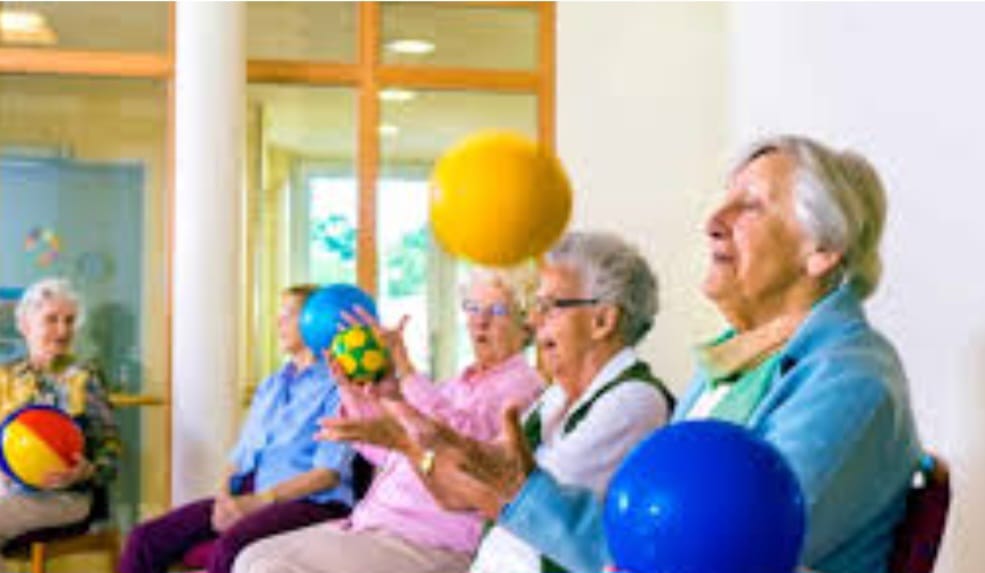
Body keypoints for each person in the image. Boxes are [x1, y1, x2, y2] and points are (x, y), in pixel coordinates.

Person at [349, 135, 922, 573]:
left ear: (821, 251)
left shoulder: (848, 378)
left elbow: (717, 554)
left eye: (749, 205)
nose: (713, 222)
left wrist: (516, 492)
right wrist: (494, 484)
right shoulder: (730, 366)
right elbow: (655, 533)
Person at [232, 268, 545, 573]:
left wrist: (405, 371)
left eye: (497, 310)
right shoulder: (453, 386)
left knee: (267, 567)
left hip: (432, 539)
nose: (480, 320)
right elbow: (391, 452)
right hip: (375, 523)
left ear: (526, 325)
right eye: (473, 307)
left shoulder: (523, 386)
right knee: (250, 557)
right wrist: (354, 389)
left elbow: (456, 444)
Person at [467, 231, 673, 573]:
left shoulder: (634, 401)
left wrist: (435, 449)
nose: (533, 321)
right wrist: (409, 432)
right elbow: (467, 489)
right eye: (536, 307)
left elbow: (531, 505)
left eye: (550, 306)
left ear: (602, 321)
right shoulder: (556, 396)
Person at [120, 284, 357, 573]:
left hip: (312, 503)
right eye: (279, 314)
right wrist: (224, 499)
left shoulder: (340, 387)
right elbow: (242, 455)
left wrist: (259, 502)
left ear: (315, 321)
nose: (278, 322)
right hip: (252, 493)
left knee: (230, 548)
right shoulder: (270, 385)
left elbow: (328, 474)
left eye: (289, 314)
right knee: (144, 539)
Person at [0, 278, 121, 554]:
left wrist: (86, 471)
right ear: (25, 325)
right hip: (9, 490)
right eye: (51, 319)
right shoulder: (5, 377)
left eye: (69, 321)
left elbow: (110, 452)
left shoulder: (84, 378)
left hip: (67, 498)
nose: (63, 330)